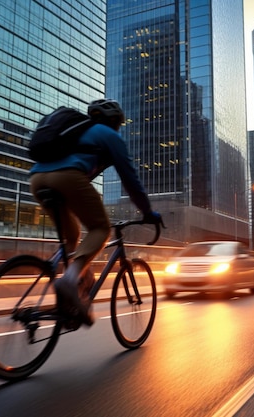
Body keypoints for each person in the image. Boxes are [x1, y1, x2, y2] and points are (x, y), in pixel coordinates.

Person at [29, 98, 162, 327]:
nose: (119, 128)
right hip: (66, 177)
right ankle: (70, 281)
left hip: (37, 179)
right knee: (100, 229)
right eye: (119, 123)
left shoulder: (77, 133)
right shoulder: (108, 134)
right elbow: (131, 180)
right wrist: (148, 211)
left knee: (72, 237)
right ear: (113, 121)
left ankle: (71, 294)